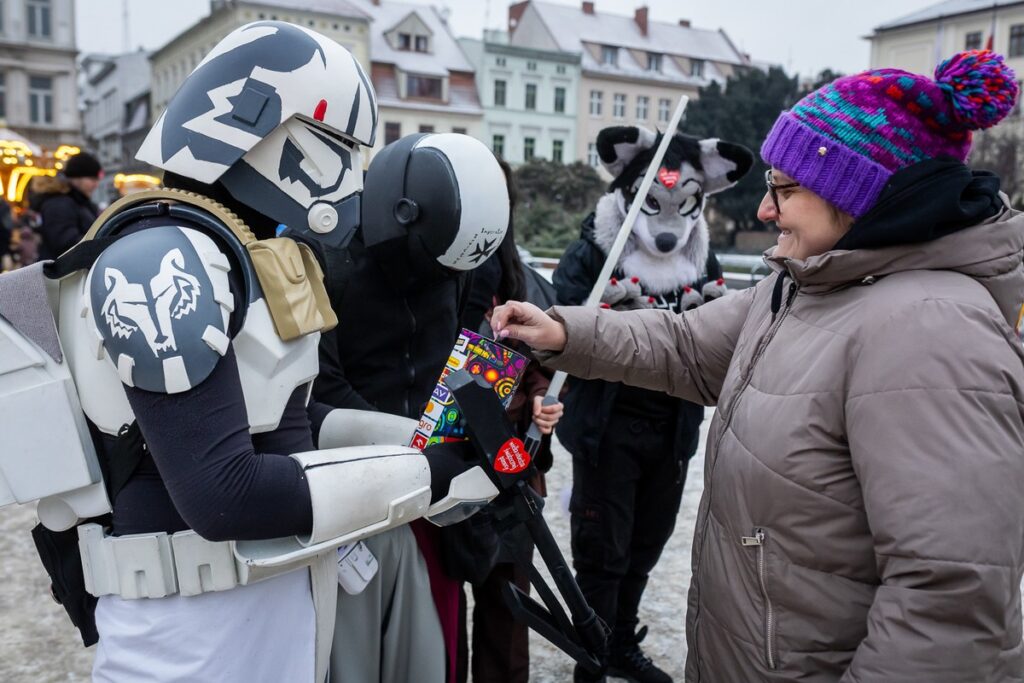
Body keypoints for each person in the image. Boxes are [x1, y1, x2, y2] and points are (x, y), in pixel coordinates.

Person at [491, 50, 1024, 682]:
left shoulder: (933, 333)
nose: (765, 211)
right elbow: (685, 345)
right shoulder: (805, 284)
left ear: (860, 192)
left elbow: (948, 603)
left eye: (786, 190)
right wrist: (563, 329)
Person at [2, 21, 496, 682]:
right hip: (186, 633)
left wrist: (418, 441)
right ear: (272, 129)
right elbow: (223, 493)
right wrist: (422, 474)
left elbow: (287, 423)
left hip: (264, 611)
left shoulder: (237, 248)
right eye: (339, 148)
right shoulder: (161, 259)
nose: (354, 178)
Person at [554, 126, 751, 683]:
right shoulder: (595, 249)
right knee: (602, 548)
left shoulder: (701, 257)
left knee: (646, 543)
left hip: (672, 425)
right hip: (607, 426)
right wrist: (601, 310)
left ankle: (620, 639)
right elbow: (559, 319)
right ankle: (590, 656)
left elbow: (715, 332)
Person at [457, 159, 564, 683]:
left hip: (513, 469)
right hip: (445, 469)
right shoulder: (428, 279)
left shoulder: (521, 283)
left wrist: (544, 405)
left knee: (506, 612)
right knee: (443, 613)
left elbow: (540, 373)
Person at [29, 151, 102, 261]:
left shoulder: (78, 202)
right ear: (77, 178)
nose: (96, 184)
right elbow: (66, 244)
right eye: (92, 179)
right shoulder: (59, 204)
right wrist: (100, 243)